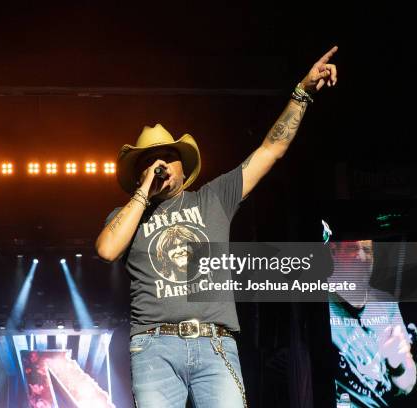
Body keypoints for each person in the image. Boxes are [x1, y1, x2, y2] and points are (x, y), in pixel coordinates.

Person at [95, 46, 339, 407]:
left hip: (215, 344)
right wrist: (143, 192)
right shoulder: (127, 213)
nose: (160, 164)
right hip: (153, 347)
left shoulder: (212, 199)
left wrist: (301, 94)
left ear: (183, 165)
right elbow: (106, 249)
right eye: (150, 161)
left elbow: (270, 151)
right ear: (139, 172)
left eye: (168, 157)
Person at [328, 240, 417, 407]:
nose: (363, 257)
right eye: (353, 249)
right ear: (333, 252)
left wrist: (397, 365)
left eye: (368, 250)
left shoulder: (386, 303)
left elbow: (408, 385)